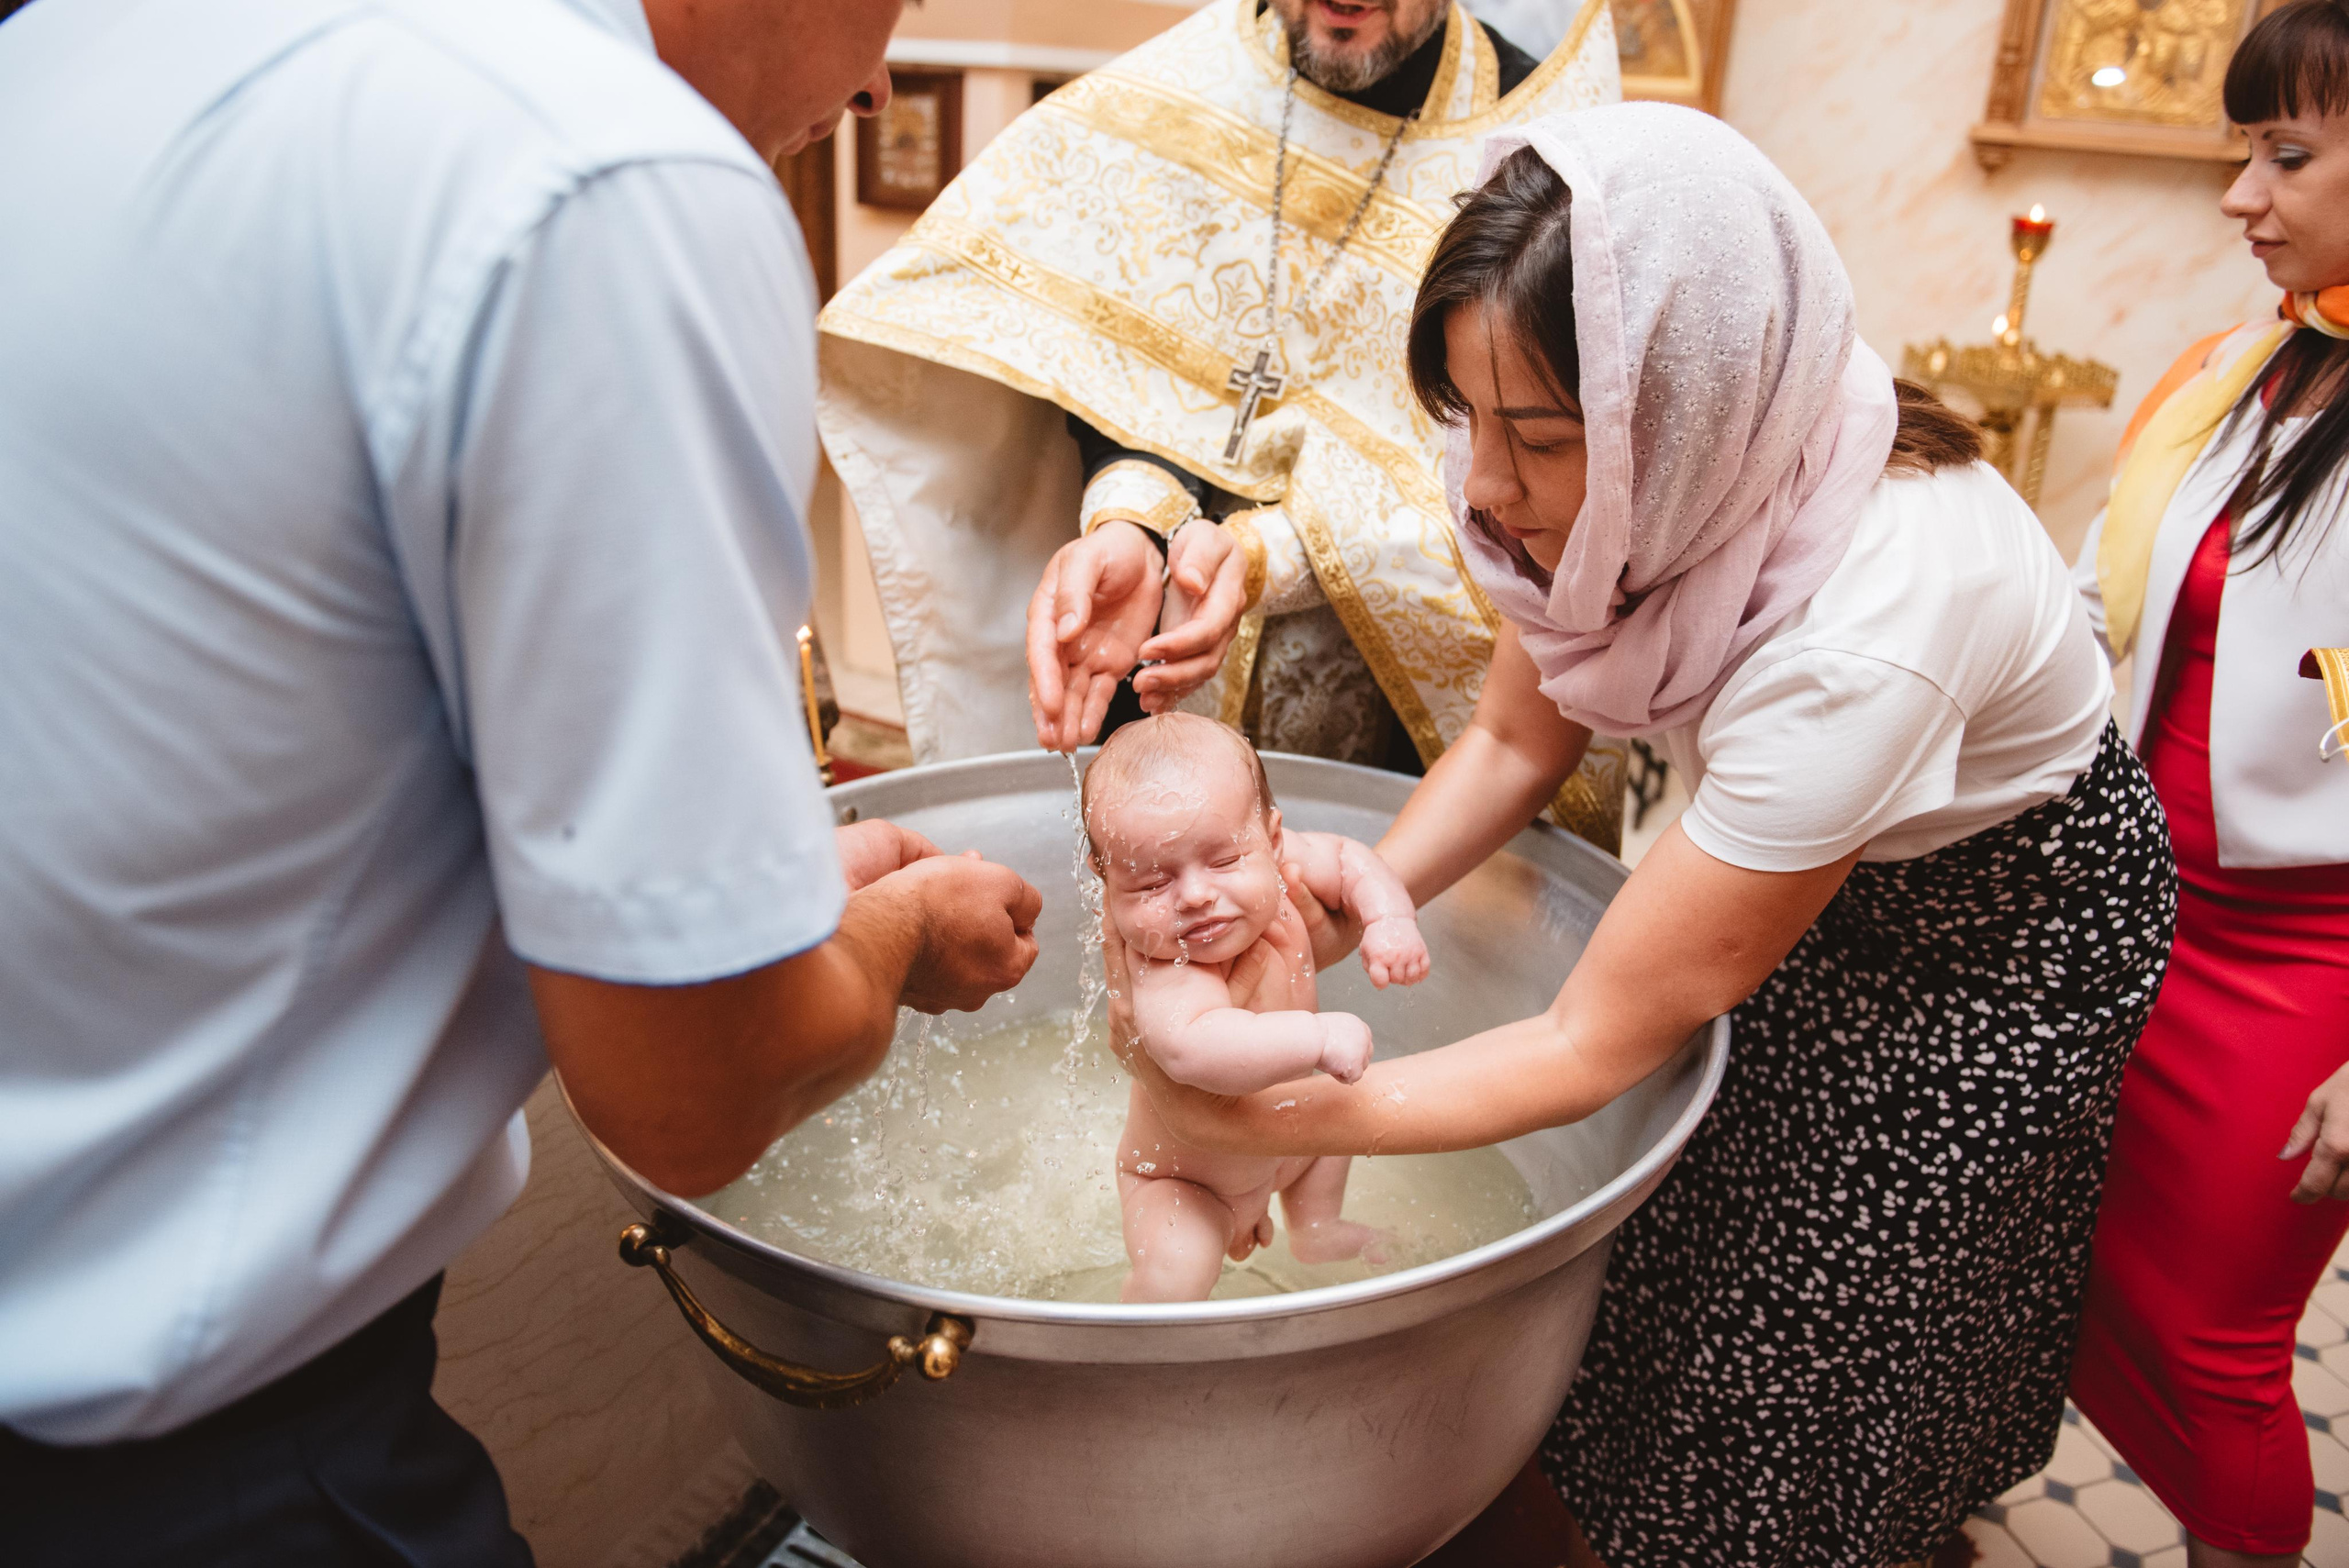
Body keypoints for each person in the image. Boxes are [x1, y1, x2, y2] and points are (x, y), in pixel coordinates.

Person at [0, 0, 1042, 1562]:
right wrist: (893, 941)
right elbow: (696, 1090)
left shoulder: (86, 40)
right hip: (193, 1467)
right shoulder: (607, 183)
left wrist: (747, 918)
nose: (884, 73)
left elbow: (241, 737)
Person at [1113, 105, 2176, 1567]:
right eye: (1468, 418)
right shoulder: (1656, 472)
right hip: (1794, 858)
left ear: (1675, 408)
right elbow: (1510, 735)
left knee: (1829, 1317)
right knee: (1674, 1245)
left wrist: (1268, 1121)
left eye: (1536, 439)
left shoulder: (1871, 633)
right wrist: (1335, 907)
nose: (1484, 486)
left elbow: (1587, 1047)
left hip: (1987, 939)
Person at [816, 0, 1633, 851]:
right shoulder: (1180, 86)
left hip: (1389, 731)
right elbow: (1122, 359)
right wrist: (1129, 518)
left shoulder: (1535, 138)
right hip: (1159, 656)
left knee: (1357, 942)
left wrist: (1263, 559)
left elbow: (1545, 473)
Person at [2065, 6, 2349, 1563]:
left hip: (2308, 963)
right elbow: (2103, 608)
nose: (2244, 195)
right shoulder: (2244, 369)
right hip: (2137, 914)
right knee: (2079, 1283)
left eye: (2287, 153)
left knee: (2217, 1352)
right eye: (2248, 149)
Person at [1084, 714, 1422, 1300]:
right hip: (1188, 1182)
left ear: (1271, 838)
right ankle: (1130, 1357)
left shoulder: (1285, 868)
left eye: (1222, 862)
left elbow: (1349, 860)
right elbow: (1195, 1049)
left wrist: (1389, 918)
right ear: (1105, 880)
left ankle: (1317, 1226)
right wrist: (1316, 1039)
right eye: (1151, 884)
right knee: (1178, 1274)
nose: (1194, 895)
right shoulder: (1168, 966)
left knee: (1335, 1117)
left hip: (1288, 1144)